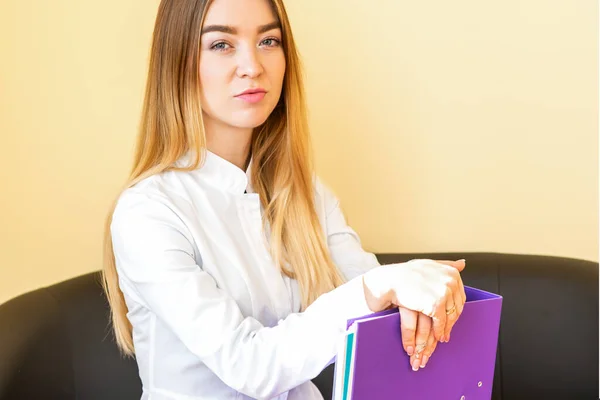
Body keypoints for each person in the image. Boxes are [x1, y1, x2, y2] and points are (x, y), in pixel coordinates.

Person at [102, 0, 467, 399]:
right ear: (178, 63)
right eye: (222, 44)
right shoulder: (148, 212)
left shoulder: (307, 193)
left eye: (269, 40)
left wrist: (424, 300)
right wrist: (383, 284)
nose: (253, 65)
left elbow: (378, 314)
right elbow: (251, 365)